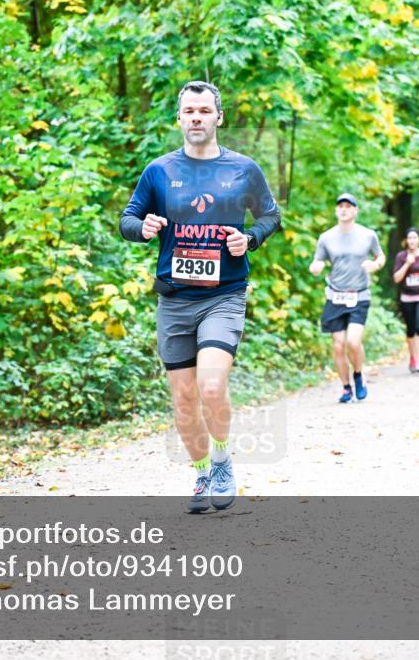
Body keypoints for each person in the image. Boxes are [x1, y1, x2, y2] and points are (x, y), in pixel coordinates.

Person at [119, 81, 281, 513]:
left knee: (211, 385)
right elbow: (127, 218)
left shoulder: (243, 169)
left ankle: (224, 460)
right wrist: (143, 229)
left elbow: (270, 215)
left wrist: (249, 238)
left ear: (218, 117)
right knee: (184, 397)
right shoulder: (159, 171)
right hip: (174, 300)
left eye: (204, 111)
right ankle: (201, 474)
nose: (196, 117)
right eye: (188, 110)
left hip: (223, 295)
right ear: (179, 119)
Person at [309, 193, 386, 403]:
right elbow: (318, 261)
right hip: (335, 296)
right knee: (338, 345)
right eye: (340, 206)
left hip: (359, 295)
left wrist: (376, 264)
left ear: (355, 211)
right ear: (336, 211)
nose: (343, 209)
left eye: (348, 206)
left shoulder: (368, 235)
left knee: (353, 342)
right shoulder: (326, 237)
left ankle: (358, 375)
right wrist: (316, 267)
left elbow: (380, 256)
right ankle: (345, 388)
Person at [392, 227, 419, 373]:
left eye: (414, 237)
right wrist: (407, 263)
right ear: (406, 241)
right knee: (410, 329)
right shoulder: (401, 256)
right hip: (407, 297)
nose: (412, 240)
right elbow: (396, 279)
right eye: (409, 238)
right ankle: (413, 357)